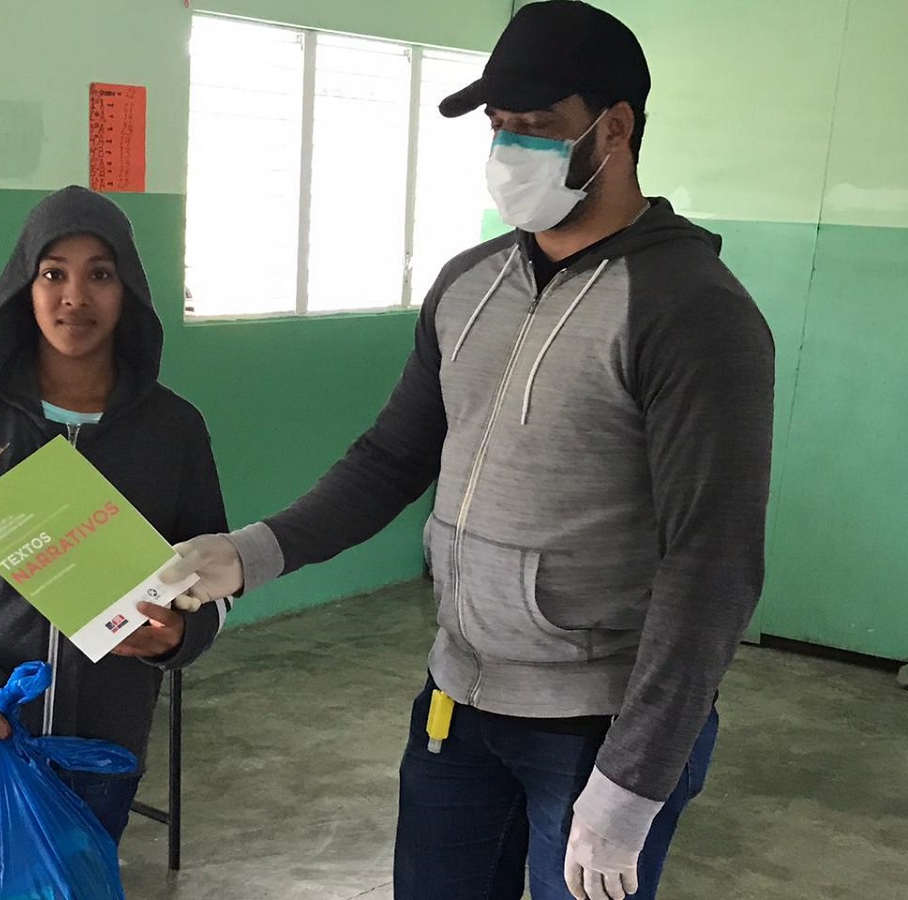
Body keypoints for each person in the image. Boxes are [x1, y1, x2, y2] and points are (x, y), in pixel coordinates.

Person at [163, 2, 774, 898]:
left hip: (596, 729)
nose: (510, 150)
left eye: (537, 128)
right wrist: (249, 554)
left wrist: (635, 780)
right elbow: (388, 461)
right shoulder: (469, 285)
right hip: (456, 706)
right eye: (499, 128)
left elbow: (711, 567)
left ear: (616, 128)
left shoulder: (692, 310)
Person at [0, 185, 230, 845]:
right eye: (54, 274)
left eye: (100, 274)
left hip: (98, 746)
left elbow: (212, 574)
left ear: (128, 288)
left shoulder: (173, 428)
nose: (75, 296)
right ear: (26, 286)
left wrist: (180, 636)